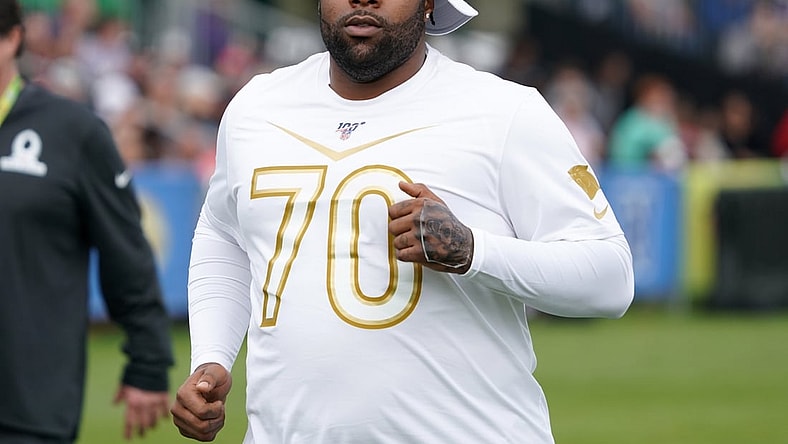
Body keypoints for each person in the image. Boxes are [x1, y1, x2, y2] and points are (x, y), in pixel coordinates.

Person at [170, 0, 634, 442]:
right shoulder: (257, 107)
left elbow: (610, 278)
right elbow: (224, 234)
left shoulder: (505, 112)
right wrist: (212, 356)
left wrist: (473, 250)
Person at [0, 0, 174, 442]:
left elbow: (126, 252)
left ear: (11, 38)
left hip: (27, 407)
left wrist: (148, 363)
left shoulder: (71, 131)